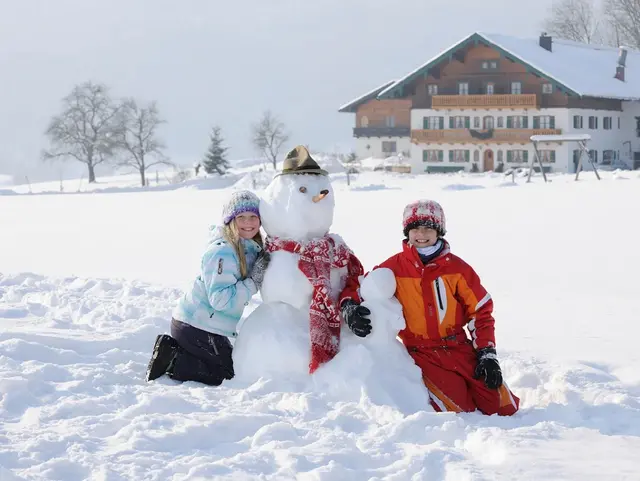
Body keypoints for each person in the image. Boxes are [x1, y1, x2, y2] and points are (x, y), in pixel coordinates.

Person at [339, 199, 520, 416]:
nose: (421, 234)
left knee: (503, 407)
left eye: (428, 228)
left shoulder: (457, 269)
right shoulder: (394, 267)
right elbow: (361, 286)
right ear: (407, 232)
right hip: (422, 353)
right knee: (460, 411)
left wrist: (487, 353)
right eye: (415, 228)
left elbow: (480, 312)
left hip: (459, 348)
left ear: (439, 232)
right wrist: (348, 305)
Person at [145, 190, 269, 385]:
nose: (248, 222)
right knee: (228, 374)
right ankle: (172, 359)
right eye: (241, 217)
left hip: (207, 325)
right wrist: (253, 281)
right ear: (230, 220)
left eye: (253, 216)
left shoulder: (248, 247)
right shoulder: (223, 252)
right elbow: (221, 300)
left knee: (237, 365)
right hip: (194, 325)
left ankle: (189, 352)